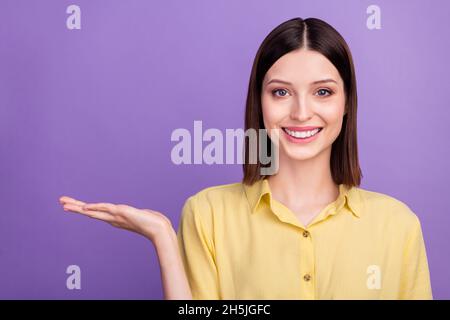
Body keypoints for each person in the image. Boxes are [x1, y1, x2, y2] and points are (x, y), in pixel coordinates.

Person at [59, 17, 433, 300]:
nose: (302, 112)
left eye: (322, 91)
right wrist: (163, 240)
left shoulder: (397, 225)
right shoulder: (208, 214)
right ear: (260, 102)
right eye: (281, 92)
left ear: (347, 102)